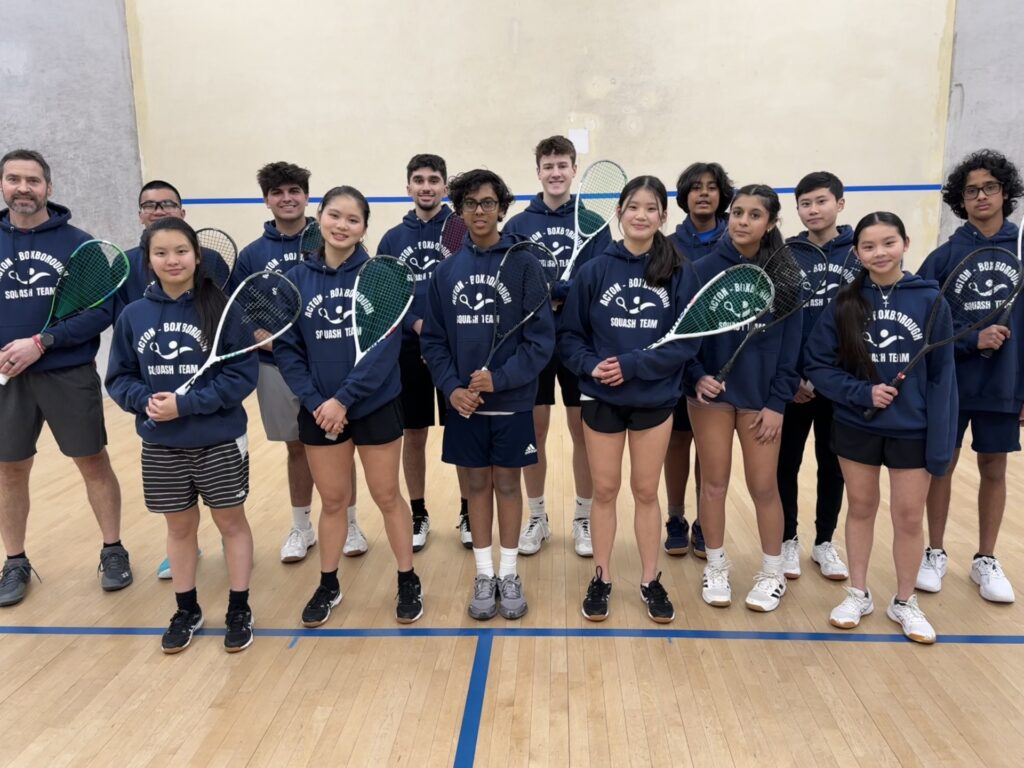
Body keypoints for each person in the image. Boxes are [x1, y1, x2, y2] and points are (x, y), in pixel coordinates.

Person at [106, 218, 258, 653]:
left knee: (231, 523)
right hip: (161, 445)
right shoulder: (134, 315)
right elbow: (119, 377)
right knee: (179, 528)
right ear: (148, 260)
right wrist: (143, 400)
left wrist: (186, 404)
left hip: (218, 439)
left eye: (180, 251)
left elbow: (242, 376)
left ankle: (239, 606)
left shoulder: (223, 308)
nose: (172, 260)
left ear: (196, 256)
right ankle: (187, 607)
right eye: (161, 253)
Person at [274, 185, 423, 626]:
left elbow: (383, 349)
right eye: (334, 215)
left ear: (363, 228)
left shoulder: (381, 276)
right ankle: (328, 582)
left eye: (352, 220)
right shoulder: (296, 280)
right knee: (334, 501)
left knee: (387, 496)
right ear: (319, 217)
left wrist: (343, 399)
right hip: (320, 411)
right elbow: (288, 351)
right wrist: (320, 402)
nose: (342, 225)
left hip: (374, 404)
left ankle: (407, 579)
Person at [806, 211, 956, 643]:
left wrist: (940, 442)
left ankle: (905, 602)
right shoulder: (844, 302)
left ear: (905, 244)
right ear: (857, 253)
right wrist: (861, 393)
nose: (879, 253)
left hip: (913, 429)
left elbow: (944, 376)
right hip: (858, 425)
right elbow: (817, 364)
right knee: (861, 508)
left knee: (909, 518)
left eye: (888, 243)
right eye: (869, 246)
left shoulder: (931, 300)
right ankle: (858, 593)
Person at [560, 175, 700, 623]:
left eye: (651, 208)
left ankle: (649, 579)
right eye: (633, 207)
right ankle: (601, 577)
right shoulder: (594, 270)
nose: (641, 215)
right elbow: (569, 336)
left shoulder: (679, 271)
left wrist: (633, 365)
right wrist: (588, 364)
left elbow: (687, 341)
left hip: (654, 398)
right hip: (601, 397)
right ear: (619, 213)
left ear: (663, 216)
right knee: (604, 490)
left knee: (645, 490)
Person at [421, 169, 555, 621]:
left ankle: (510, 571)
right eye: (471, 203)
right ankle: (484, 573)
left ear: (502, 207)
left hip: (511, 402)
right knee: (475, 485)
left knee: (507, 484)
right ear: (459, 210)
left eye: (489, 202)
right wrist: (453, 388)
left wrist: (501, 379)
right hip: (465, 406)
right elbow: (434, 341)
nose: (480, 211)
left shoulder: (523, 265)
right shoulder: (445, 272)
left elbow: (541, 340)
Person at [0, 149, 131, 608]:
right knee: (10, 470)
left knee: (92, 460)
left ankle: (113, 550)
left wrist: (43, 342)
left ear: (48, 188)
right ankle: (14, 561)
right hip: (7, 379)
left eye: (32, 180)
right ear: (3, 185)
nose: (23, 188)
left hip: (67, 372)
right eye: (13, 179)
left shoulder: (79, 245)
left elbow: (101, 311)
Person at [233, 162, 362, 564]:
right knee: (296, 448)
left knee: (342, 446)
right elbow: (238, 306)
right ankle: (302, 526)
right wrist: (256, 334)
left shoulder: (330, 237)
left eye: (294, 191)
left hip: (332, 368)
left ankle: (351, 523)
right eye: (277, 192)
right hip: (276, 368)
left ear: (308, 197)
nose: (286, 198)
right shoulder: (254, 254)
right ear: (266, 200)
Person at [684, 184, 801, 613]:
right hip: (711, 398)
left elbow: (791, 350)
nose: (742, 221)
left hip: (761, 401)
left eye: (754, 215)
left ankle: (772, 573)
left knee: (763, 486)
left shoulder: (786, 277)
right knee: (713, 484)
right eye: (737, 213)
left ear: (770, 223)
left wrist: (777, 403)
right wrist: (697, 376)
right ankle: (715, 565)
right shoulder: (699, 269)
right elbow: (689, 336)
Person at [916, 150, 1024, 603]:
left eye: (989, 188)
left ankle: (985, 558)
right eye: (971, 190)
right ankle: (934, 552)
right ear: (961, 200)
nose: (981, 196)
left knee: (994, 468)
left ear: (1005, 193)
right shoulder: (942, 259)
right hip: (953, 383)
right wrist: (969, 340)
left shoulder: (1021, 254)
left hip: (1005, 383)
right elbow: (920, 327)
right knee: (941, 466)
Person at [503, 136, 611, 558]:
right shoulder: (517, 225)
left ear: (573, 169)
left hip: (579, 344)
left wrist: (570, 292)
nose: (555, 172)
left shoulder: (594, 223)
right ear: (538, 172)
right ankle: (537, 517)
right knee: (534, 431)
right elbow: (508, 282)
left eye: (562, 165)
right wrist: (538, 295)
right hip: (532, 345)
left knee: (583, 432)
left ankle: (583, 519)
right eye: (547, 165)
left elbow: (603, 281)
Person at [376, 154, 470, 551]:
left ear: (445, 187)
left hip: (457, 351)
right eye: (419, 179)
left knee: (463, 430)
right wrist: (417, 323)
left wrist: (444, 330)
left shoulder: (463, 230)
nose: (426, 186)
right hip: (408, 351)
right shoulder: (393, 239)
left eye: (434, 180)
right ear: (408, 187)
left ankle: (468, 510)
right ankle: (418, 512)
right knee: (413, 434)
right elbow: (384, 293)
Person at [777, 171, 856, 581]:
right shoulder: (786, 256)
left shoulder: (860, 252)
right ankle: (787, 539)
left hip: (839, 386)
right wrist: (791, 378)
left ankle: (824, 541)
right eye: (805, 204)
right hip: (794, 386)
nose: (813, 210)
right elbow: (776, 321)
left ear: (840, 204)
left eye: (821, 201)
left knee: (833, 465)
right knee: (784, 464)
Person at [663, 162, 734, 559]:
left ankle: (707, 522)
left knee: (711, 451)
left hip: (720, 362)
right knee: (677, 442)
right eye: (695, 187)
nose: (703, 193)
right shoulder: (669, 245)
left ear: (723, 194)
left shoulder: (736, 241)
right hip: (678, 363)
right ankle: (676, 517)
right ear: (685, 195)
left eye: (711, 187)